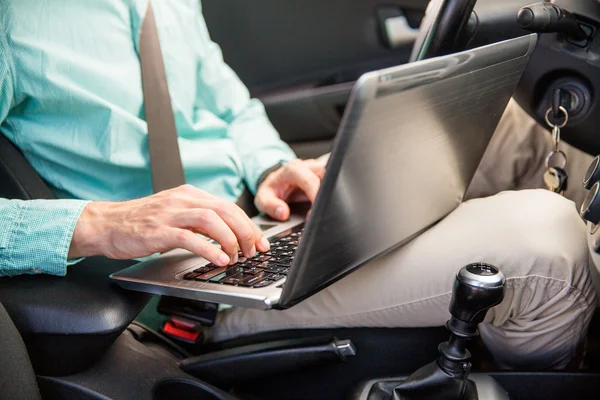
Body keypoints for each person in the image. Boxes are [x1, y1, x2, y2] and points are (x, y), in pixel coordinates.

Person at [0, 0, 595, 369]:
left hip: (259, 223)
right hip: (181, 288)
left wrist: (269, 167)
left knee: (513, 130)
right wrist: (98, 224)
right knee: (547, 244)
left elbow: (231, 105)